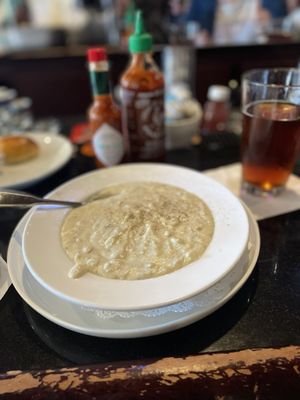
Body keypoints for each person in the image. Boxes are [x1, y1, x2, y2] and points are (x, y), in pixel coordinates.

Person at [186, 0, 299, 44]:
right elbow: (187, 32)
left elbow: (285, 31)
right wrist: (198, 40)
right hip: (214, 67)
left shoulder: (269, 3)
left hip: (257, 67)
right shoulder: (202, 3)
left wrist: (270, 24)